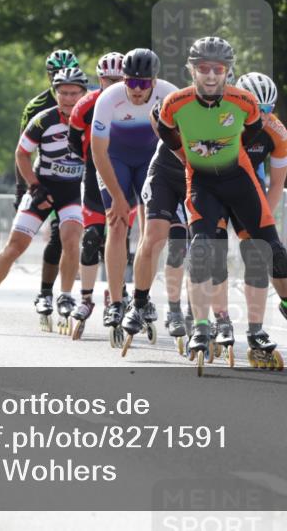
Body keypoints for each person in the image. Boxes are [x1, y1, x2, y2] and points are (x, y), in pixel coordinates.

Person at [157, 37, 287, 374]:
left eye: (218, 69)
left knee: (271, 252)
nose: (210, 75)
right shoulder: (174, 104)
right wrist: (190, 159)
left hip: (241, 183)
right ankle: (203, 325)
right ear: (191, 70)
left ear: (228, 72)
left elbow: (254, 138)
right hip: (203, 185)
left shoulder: (246, 104)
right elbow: (166, 132)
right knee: (203, 251)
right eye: (203, 68)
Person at [0, 68, 88, 334]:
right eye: (63, 93)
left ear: (84, 94)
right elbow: (21, 153)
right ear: (55, 93)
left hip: (72, 191)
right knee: (15, 245)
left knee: (71, 239)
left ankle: (65, 295)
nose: (69, 99)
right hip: (43, 188)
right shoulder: (42, 120)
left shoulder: (91, 120)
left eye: (74, 93)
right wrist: (33, 185)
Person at [89, 48, 177, 343]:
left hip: (151, 160)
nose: (137, 91)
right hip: (115, 160)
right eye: (131, 83)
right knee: (116, 223)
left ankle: (142, 296)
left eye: (144, 84)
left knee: (151, 233)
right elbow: (98, 151)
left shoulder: (169, 94)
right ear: (123, 80)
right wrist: (117, 196)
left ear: (154, 81)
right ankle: (115, 302)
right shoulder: (109, 98)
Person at [208, 72, 287, 366]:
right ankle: (220, 321)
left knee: (258, 253)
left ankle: (256, 331)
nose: (262, 116)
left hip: (248, 188)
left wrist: (263, 225)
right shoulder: (214, 117)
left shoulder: (275, 131)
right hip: (212, 187)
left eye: (268, 110)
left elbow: (277, 183)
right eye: (256, 108)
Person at [66, 51, 127, 339]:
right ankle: (86, 298)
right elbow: (72, 136)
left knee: (120, 236)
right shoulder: (86, 105)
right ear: (99, 79)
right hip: (95, 174)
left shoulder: (136, 102)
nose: (112, 84)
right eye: (107, 79)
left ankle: (119, 294)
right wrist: (90, 161)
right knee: (92, 237)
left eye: (118, 79)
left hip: (127, 173)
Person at [17, 49, 81, 318]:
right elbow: (22, 150)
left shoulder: (83, 103)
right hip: (42, 178)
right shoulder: (36, 107)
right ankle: (45, 292)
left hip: (73, 182)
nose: (65, 92)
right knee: (52, 237)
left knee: (63, 237)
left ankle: (62, 294)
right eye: (55, 75)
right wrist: (25, 188)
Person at [122, 98, 189, 356]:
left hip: (191, 177)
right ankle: (138, 303)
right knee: (153, 239)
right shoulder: (182, 101)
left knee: (179, 244)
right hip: (163, 173)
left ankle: (174, 309)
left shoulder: (226, 113)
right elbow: (154, 115)